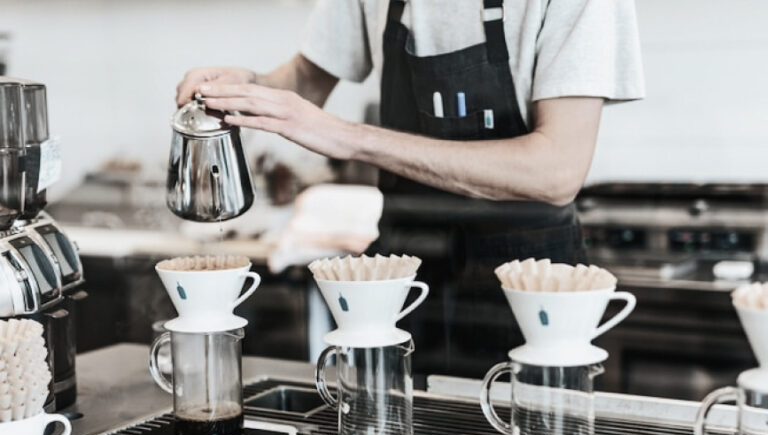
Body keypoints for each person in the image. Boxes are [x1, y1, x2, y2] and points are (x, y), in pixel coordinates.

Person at [177, 0, 644, 380]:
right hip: (403, 278)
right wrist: (249, 85)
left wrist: (353, 138)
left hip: (530, 287)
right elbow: (307, 79)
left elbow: (556, 172)